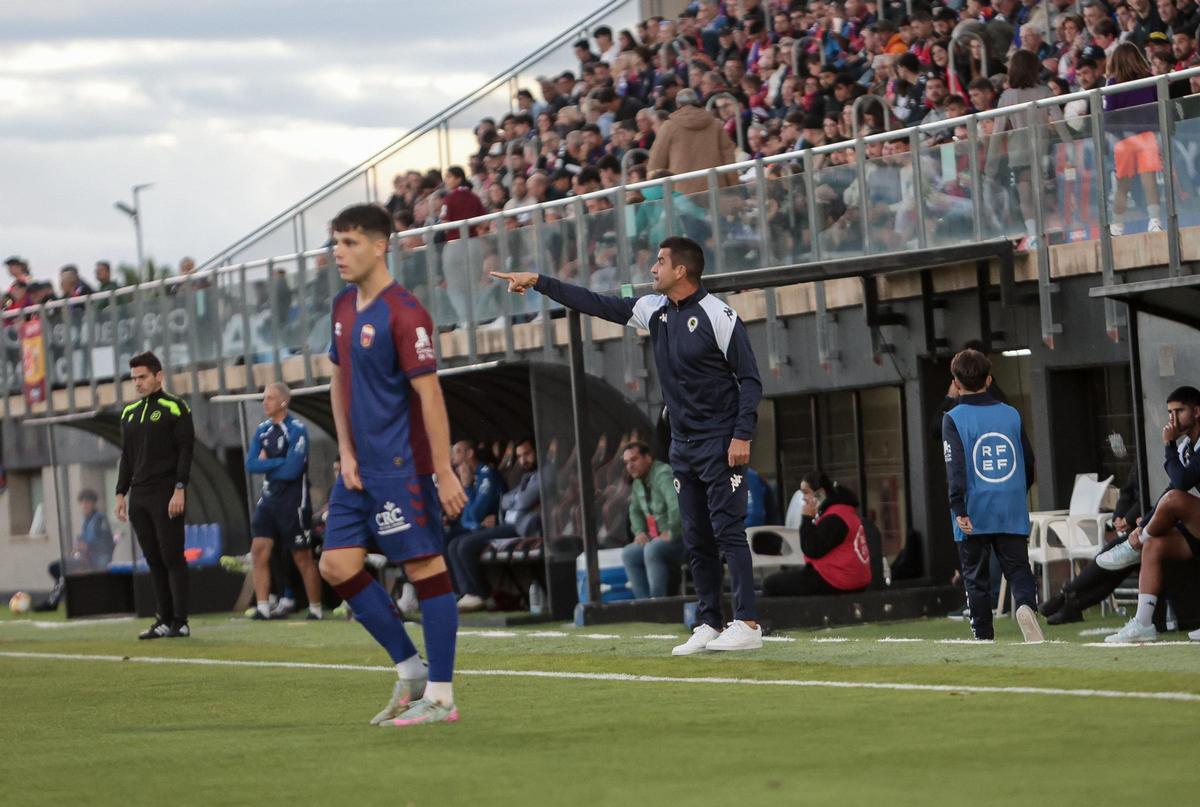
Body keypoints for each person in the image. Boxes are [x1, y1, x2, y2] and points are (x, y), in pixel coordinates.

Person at [492, 235, 765, 654]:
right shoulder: (653, 309)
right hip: (683, 445)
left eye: (660, 262)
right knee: (695, 536)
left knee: (728, 532)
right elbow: (594, 303)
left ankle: (746, 622)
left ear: (682, 270)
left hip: (720, 441)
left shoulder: (719, 315)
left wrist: (741, 434)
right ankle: (709, 620)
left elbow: (749, 379)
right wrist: (540, 282)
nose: (652, 269)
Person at [320, 203, 467, 726]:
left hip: (403, 466)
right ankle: (410, 669)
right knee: (335, 565)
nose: (339, 252)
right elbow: (338, 380)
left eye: (351, 242)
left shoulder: (406, 312)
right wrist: (346, 449)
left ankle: (443, 697)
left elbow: (430, 397)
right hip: (359, 468)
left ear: (381, 245)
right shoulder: (341, 307)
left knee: (425, 567)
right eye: (336, 242)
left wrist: (445, 470)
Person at [942, 348, 1044, 642]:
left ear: (956, 382)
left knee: (976, 577)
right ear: (989, 379)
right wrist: (1016, 493)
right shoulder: (1010, 413)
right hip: (1010, 503)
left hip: (974, 508)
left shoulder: (954, 418)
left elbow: (956, 467)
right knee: (1018, 567)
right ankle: (1025, 605)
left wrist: (958, 506)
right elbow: (1027, 460)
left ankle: (984, 636)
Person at [1097, 385, 1200, 642]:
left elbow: (1183, 482)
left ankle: (1135, 543)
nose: (1172, 419)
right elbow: (1171, 487)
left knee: (1175, 500)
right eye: (1169, 413)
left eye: (1179, 411)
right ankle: (1143, 624)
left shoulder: (1183, 445)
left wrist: (1168, 444)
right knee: (1154, 544)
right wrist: (1151, 518)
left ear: (1197, 411)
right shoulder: (1187, 445)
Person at [115, 351, 195, 640]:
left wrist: (180, 488)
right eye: (134, 378)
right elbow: (127, 457)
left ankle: (181, 621)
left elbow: (186, 451)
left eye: (143, 377)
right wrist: (120, 492)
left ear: (158, 376)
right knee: (153, 559)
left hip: (166, 491)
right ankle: (162, 619)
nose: (137, 382)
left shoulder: (175, 407)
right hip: (140, 496)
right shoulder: (129, 413)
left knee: (172, 556)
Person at [244, 382, 324, 620]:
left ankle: (316, 608)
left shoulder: (297, 429)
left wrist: (269, 463)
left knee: (302, 555)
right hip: (268, 500)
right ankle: (262, 607)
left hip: (294, 501)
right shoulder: (262, 430)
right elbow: (250, 464)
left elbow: (294, 470)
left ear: (283, 402)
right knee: (259, 550)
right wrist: (280, 461)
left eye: (269, 398)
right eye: (264, 398)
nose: (264, 402)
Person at [448, 437, 541, 612]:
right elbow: (506, 501)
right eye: (519, 456)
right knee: (450, 542)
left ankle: (480, 594)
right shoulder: (525, 476)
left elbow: (475, 514)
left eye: (527, 454)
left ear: (470, 453)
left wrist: (467, 487)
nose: (523, 460)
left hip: (520, 527)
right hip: (502, 524)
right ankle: (463, 592)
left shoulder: (486, 475)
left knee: (462, 544)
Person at [763, 472, 872, 596]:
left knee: (770, 583)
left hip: (837, 580)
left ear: (820, 493)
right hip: (849, 577)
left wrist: (807, 519)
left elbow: (812, 549)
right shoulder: (844, 512)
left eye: (806, 492)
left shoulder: (835, 518)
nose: (803, 498)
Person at [1104, 42, 1164, 235]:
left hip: (1124, 140)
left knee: (1123, 184)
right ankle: (1154, 221)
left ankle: (1117, 226)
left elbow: (1109, 115)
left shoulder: (1113, 84)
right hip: (1147, 136)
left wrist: (1117, 136)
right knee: (1149, 179)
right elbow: (1159, 107)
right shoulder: (1149, 79)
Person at [619, 441, 684, 599]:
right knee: (629, 553)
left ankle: (658, 604)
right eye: (626, 463)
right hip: (658, 540)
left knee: (652, 549)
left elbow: (677, 507)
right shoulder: (637, 483)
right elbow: (634, 512)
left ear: (648, 457)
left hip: (682, 538)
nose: (630, 466)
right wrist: (640, 531)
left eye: (634, 460)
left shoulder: (663, 474)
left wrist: (671, 531)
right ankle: (645, 606)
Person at [646, 88, 736, 195]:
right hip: (716, 191)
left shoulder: (669, 127)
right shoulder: (715, 125)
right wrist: (734, 189)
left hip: (681, 196)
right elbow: (729, 160)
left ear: (677, 104)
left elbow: (656, 164)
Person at [41, 490, 115, 610]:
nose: (84, 505)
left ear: (93, 504)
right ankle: (58, 600)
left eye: (87, 502)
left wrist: (87, 546)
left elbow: (106, 543)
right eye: (82, 502)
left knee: (61, 568)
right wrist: (77, 548)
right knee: (56, 567)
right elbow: (83, 541)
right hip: (84, 558)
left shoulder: (100, 519)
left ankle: (53, 602)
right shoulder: (86, 521)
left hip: (95, 561)